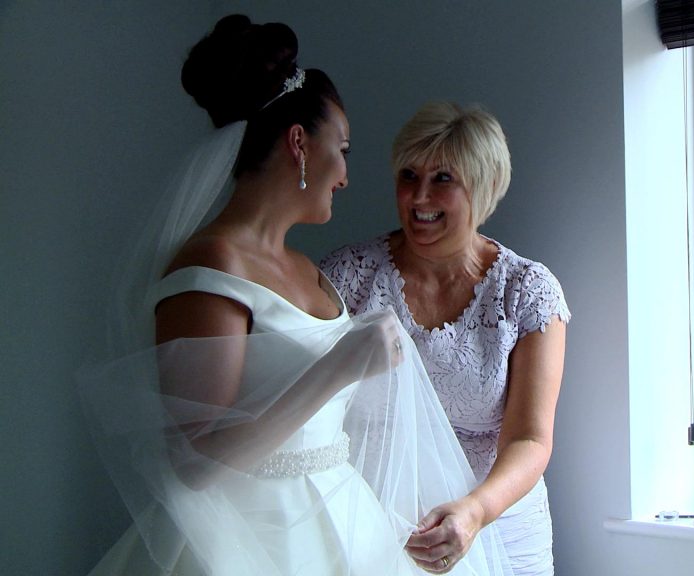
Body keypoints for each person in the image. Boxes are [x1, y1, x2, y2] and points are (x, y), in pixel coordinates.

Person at [80, 17, 510, 576]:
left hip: (344, 521)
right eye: (344, 149)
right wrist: (339, 366)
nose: (346, 176)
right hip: (250, 542)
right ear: (300, 144)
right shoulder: (212, 266)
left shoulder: (308, 271)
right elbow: (193, 463)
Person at [321, 101, 570, 575]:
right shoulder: (349, 277)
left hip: (499, 526)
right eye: (409, 176)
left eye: (443, 180)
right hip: (380, 529)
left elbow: (530, 439)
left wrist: (475, 511)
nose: (419, 197)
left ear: (483, 187)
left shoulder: (527, 292)